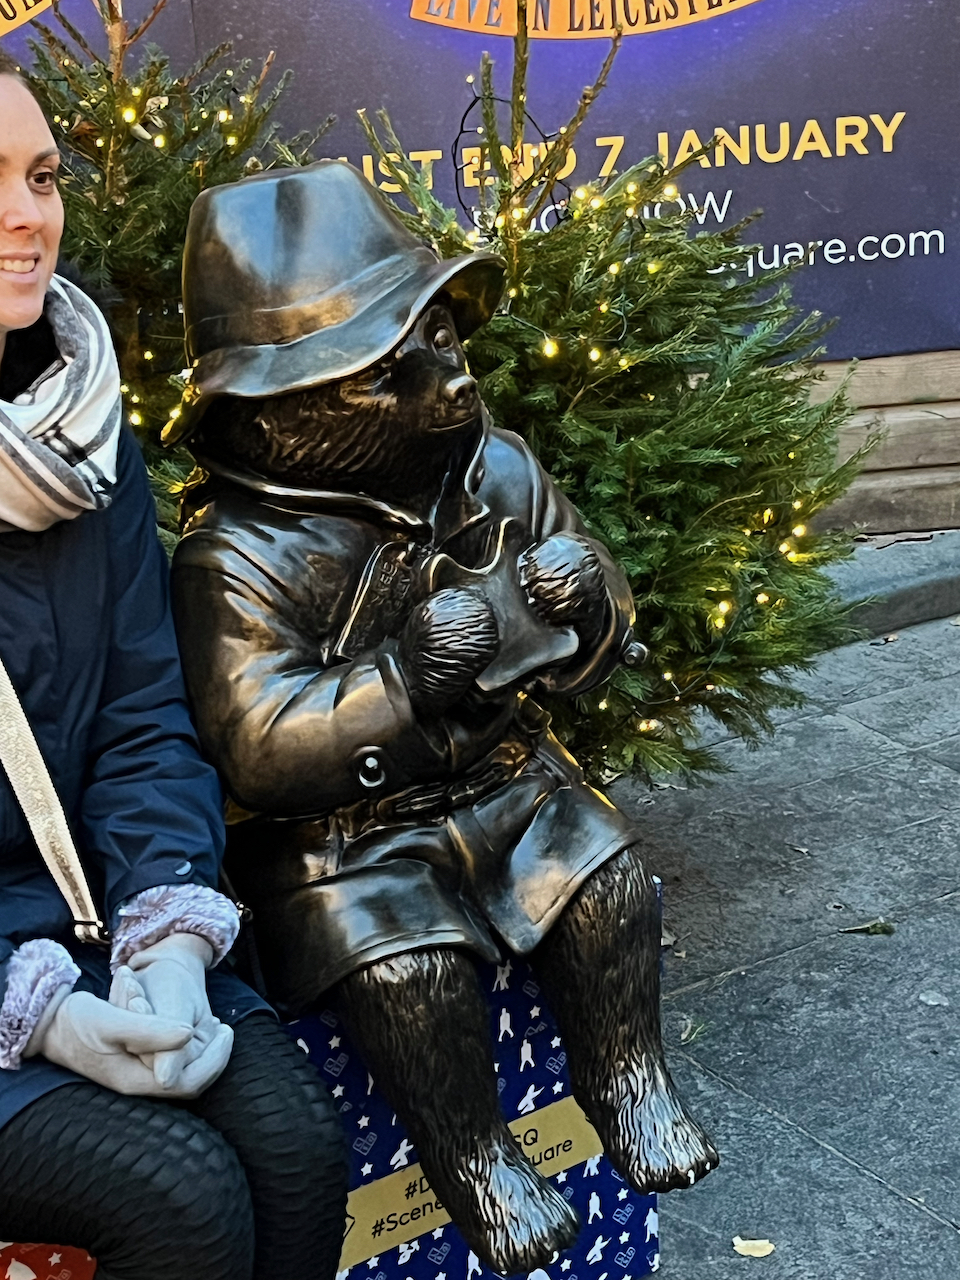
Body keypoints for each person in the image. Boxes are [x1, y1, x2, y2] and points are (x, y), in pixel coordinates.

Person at [0, 54, 346, 1280]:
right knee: (179, 1198)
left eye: (40, 176)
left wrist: (168, 938)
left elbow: (145, 713)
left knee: (299, 1142)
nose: (27, 215)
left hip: (98, 926)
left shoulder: (78, 430)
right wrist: (33, 1003)